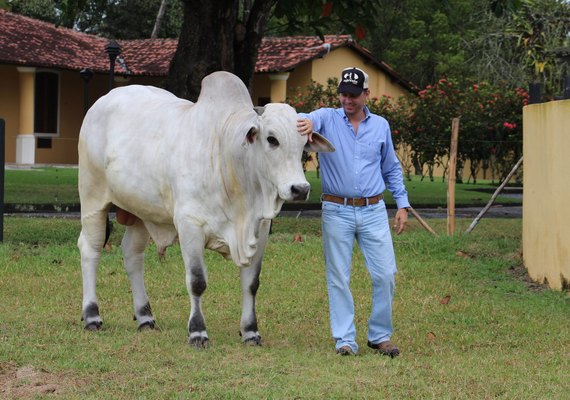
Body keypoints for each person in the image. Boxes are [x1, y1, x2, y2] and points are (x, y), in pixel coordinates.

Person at [297, 67, 410, 357]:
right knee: (338, 276)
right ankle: (345, 339)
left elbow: (391, 168)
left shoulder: (381, 125)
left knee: (385, 274)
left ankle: (380, 336)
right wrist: (307, 123)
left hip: (373, 210)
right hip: (336, 209)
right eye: (343, 94)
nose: (347, 100)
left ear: (366, 94)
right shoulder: (327, 118)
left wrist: (402, 204)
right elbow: (307, 119)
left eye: (353, 95)